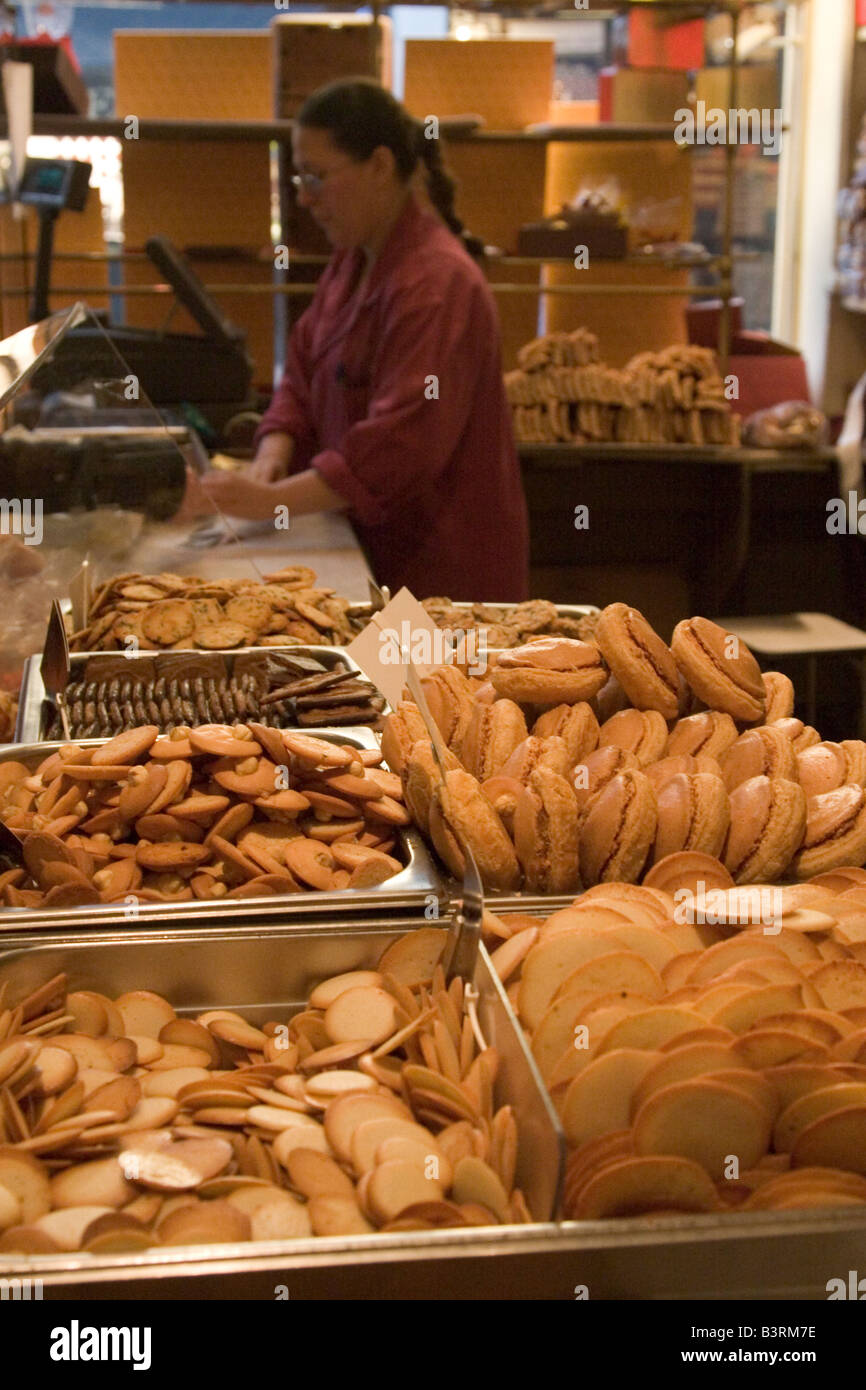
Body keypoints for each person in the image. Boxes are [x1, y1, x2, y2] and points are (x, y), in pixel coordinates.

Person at [183, 78, 529, 601]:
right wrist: (272, 452)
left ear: (381, 166)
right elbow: (301, 370)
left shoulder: (437, 283)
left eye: (316, 177)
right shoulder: (354, 261)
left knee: (427, 685)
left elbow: (399, 447)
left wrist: (264, 502)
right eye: (299, 178)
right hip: (372, 553)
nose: (303, 198)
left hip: (441, 575)